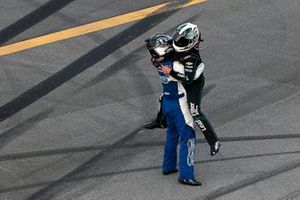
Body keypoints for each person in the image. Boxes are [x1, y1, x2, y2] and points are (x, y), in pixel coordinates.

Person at [144, 22, 221, 156]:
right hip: (181, 78)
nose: (177, 42)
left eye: (182, 40)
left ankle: (213, 142)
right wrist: (157, 57)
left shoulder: (192, 58)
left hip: (193, 84)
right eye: (177, 37)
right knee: (164, 97)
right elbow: (167, 51)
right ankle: (160, 122)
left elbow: (187, 79)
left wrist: (170, 72)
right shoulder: (177, 45)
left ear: (191, 42)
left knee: (194, 111)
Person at [145, 33, 201, 186]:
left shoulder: (159, 64)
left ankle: (168, 166)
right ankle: (186, 175)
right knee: (188, 137)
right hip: (179, 103)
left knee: (172, 135)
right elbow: (191, 76)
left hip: (167, 102)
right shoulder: (174, 65)